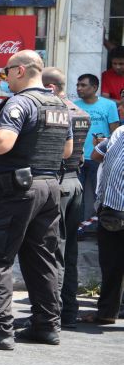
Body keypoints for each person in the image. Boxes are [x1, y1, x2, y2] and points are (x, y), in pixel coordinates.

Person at [0, 50, 73, 351]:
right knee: (42, 259)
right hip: (49, 187)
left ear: (20, 71)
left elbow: (4, 144)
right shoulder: (60, 104)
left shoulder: (20, 103)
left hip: (16, 189)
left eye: (7, 71)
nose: (3, 77)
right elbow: (67, 151)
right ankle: (47, 326)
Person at [43, 67, 89, 328]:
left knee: (53, 252)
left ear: (51, 88)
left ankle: (53, 314)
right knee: (69, 250)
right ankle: (69, 310)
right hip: (75, 183)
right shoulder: (81, 113)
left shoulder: (58, 114)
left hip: (58, 183)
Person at [79, 126, 124, 324]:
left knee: (112, 264)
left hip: (114, 208)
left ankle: (107, 312)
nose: (120, 109)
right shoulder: (119, 132)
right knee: (111, 264)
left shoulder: (119, 132)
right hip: (112, 209)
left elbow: (96, 155)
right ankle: (106, 312)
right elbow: (96, 155)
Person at [74, 74, 120, 226]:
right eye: (78, 85)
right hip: (77, 157)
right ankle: (76, 228)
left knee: (98, 195)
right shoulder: (73, 105)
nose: (79, 88)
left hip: (98, 157)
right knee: (77, 197)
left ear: (94, 88)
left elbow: (115, 133)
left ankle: (96, 227)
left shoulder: (109, 105)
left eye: (83, 85)